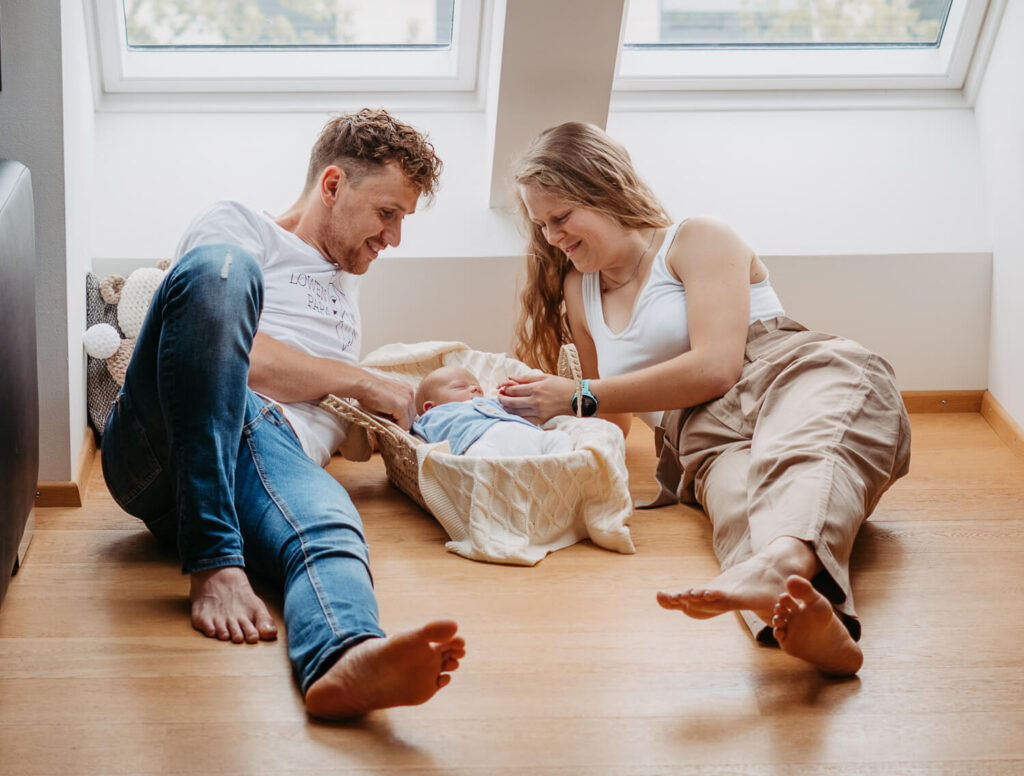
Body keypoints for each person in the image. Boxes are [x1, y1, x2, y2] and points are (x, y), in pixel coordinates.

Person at [496, 121, 911, 676]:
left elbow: (717, 367)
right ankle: (812, 624)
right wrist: (518, 426)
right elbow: (612, 417)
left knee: (806, 453)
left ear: (604, 189)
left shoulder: (695, 239)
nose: (551, 237)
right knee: (739, 506)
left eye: (561, 216)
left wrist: (576, 396)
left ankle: (785, 567)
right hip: (697, 434)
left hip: (785, 372)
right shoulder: (580, 290)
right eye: (541, 223)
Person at [100, 108, 465, 719]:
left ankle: (344, 657)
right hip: (165, 441)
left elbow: (336, 434)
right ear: (332, 186)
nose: (394, 237)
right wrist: (361, 379)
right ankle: (214, 560)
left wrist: (407, 411)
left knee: (326, 518)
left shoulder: (347, 300)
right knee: (222, 270)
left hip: (267, 467)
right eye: (387, 213)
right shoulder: (239, 227)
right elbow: (232, 356)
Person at [412, 365, 574, 456]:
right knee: (479, 456)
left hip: (530, 437)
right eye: (460, 386)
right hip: (485, 444)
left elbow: (523, 409)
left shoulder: (493, 403)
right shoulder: (434, 417)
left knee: (558, 438)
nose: (475, 388)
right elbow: (419, 442)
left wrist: (514, 391)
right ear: (430, 407)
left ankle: (557, 469)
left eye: (477, 386)